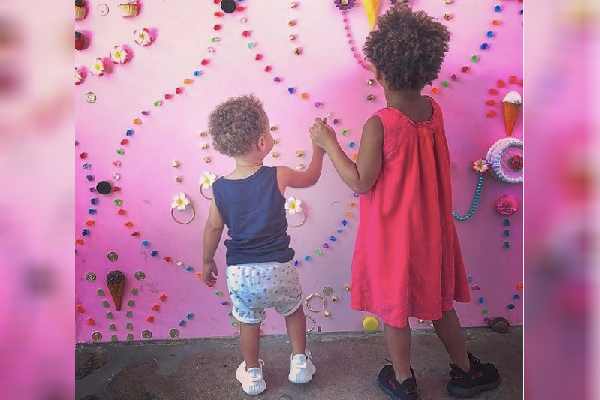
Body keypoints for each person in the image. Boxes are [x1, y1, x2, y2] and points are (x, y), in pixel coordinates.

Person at [309, 6, 501, 400]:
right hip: (432, 233)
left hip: (392, 238)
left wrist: (329, 144)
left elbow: (360, 181)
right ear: (427, 69)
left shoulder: (379, 124)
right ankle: (466, 371)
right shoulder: (434, 111)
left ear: (379, 71)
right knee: (440, 305)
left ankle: (403, 380)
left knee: (395, 312)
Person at [202, 95, 324, 396]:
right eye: (269, 131)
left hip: (241, 274)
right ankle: (299, 363)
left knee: (248, 321)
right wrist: (319, 150)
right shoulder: (278, 174)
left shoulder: (219, 188)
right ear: (261, 143)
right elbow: (311, 177)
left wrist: (206, 260)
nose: (271, 135)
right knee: (293, 310)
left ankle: (253, 373)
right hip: (279, 268)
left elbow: (213, 227)